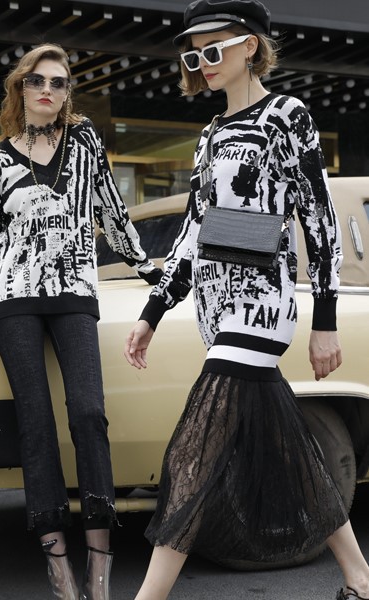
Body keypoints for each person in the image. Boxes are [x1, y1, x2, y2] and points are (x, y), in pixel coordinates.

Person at [124, 1, 369, 599]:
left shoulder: (287, 116)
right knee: (291, 449)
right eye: (194, 55)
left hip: (263, 302)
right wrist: (153, 311)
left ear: (250, 46)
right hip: (214, 306)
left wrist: (326, 320)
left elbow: (318, 219)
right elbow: (193, 232)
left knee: (194, 450)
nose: (203, 63)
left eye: (213, 50)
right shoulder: (209, 135)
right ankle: (361, 578)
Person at [0, 43, 162, 600]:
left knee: (89, 413)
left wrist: (151, 272)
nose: (48, 89)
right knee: (37, 424)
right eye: (37, 80)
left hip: (73, 295)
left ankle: (100, 560)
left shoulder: (85, 143)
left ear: (68, 92)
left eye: (59, 82)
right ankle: (58, 563)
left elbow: (112, 214)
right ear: (21, 88)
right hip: (12, 301)